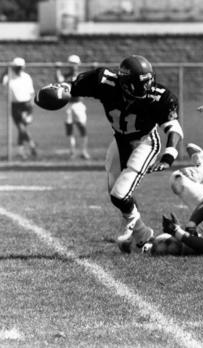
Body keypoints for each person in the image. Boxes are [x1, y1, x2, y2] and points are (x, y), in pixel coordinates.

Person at [36, 54, 183, 253]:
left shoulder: (161, 96)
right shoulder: (104, 81)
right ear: (122, 83)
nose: (144, 90)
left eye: (147, 84)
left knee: (120, 195)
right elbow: (73, 85)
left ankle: (132, 226)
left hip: (145, 141)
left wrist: (169, 156)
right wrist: (61, 89)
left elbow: (173, 128)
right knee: (116, 192)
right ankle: (143, 236)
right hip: (119, 140)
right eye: (136, 86)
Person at [56, 54, 90, 159]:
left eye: (74, 64)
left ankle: (84, 151)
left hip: (78, 104)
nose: (73, 66)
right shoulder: (67, 76)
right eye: (71, 64)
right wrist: (57, 69)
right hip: (69, 104)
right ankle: (72, 151)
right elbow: (59, 81)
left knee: (82, 127)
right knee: (69, 128)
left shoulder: (81, 75)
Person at [2, 57, 37, 159]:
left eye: (20, 67)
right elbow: (1, 80)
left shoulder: (27, 77)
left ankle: (21, 151)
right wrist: (6, 69)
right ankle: (31, 145)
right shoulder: (9, 77)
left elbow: (31, 93)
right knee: (21, 128)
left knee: (22, 128)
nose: (19, 69)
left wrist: (32, 105)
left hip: (26, 105)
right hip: (15, 106)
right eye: (17, 67)